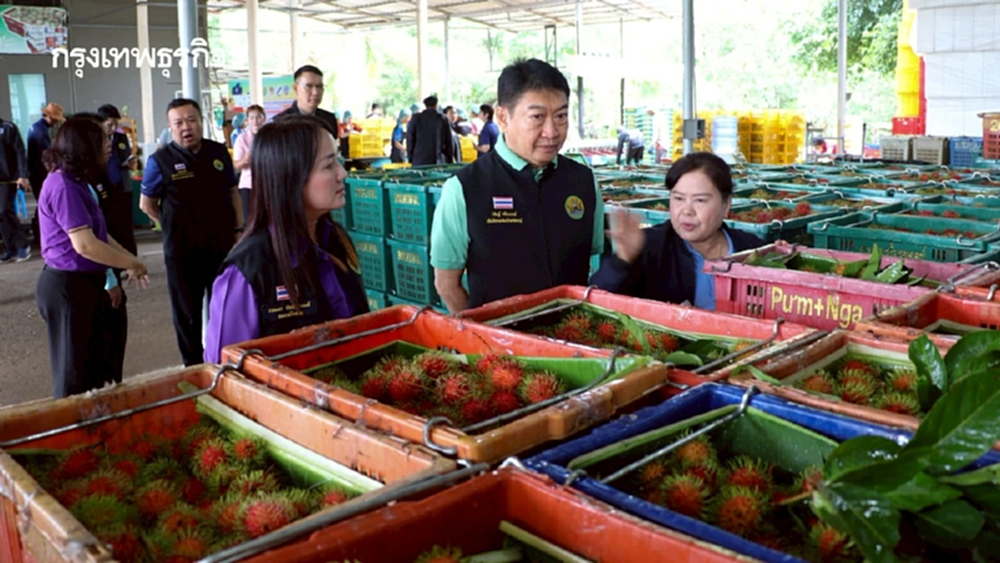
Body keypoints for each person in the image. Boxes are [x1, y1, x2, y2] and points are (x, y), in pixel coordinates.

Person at [430, 58, 605, 312]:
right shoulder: (464, 189)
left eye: (561, 116)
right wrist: (483, 335)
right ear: (503, 116)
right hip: (498, 348)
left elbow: (592, 261)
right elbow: (446, 284)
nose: (552, 131)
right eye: (537, 117)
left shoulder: (583, 181)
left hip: (571, 344)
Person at [204, 116, 368, 363]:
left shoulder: (336, 240)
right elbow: (223, 371)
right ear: (291, 177)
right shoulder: (247, 272)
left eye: (338, 161)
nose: (342, 173)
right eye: (328, 165)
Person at [35, 116, 149, 398]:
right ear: (85, 146)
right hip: (68, 288)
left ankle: (97, 433)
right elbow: (85, 245)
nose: (110, 144)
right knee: (74, 378)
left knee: (99, 371)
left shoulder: (79, 182)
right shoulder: (63, 186)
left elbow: (100, 236)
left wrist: (122, 265)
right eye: (103, 140)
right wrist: (131, 263)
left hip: (87, 283)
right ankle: (73, 436)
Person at [140, 98, 242, 366]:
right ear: (170, 127)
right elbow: (146, 204)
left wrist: (238, 229)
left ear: (201, 122)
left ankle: (225, 362)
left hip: (221, 246)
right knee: (188, 314)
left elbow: (233, 192)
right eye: (179, 122)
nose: (187, 127)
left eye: (192, 120)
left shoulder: (218, 153)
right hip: (182, 251)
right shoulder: (160, 161)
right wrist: (171, 224)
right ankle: (193, 368)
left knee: (225, 305)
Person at [591, 152, 765, 310]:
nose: (686, 211)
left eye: (700, 200)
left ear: (726, 204)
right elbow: (597, 299)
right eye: (679, 199)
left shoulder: (752, 250)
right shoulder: (650, 246)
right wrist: (621, 262)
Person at [28, 103, 65, 243]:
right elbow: (46, 155)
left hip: (35, 173)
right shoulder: (41, 131)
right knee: (45, 205)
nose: (56, 122)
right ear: (49, 117)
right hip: (40, 174)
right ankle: (42, 235)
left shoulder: (35, 127)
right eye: (55, 119)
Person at [0, 115, 31, 263]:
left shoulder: (8, 127)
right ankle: (9, 249)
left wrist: (23, 175)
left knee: (5, 210)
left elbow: (20, 151)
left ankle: (22, 245)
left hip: (9, 178)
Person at [276, 65, 339, 137]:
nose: (315, 92)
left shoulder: (329, 119)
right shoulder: (280, 122)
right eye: (308, 86)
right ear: (296, 89)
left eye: (319, 86)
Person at [233, 104, 265, 226]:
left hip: (267, 184)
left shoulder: (270, 136)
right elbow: (236, 165)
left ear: (264, 118)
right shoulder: (242, 139)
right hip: (248, 185)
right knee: (249, 221)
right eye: (252, 118)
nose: (255, 121)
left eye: (259, 117)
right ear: (247, 121)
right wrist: (245, 160)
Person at [406, 96, 454, 166]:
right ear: (436, 105)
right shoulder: (442, 119)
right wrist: (449, 159)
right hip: (437, 160)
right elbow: (449, 141)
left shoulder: (416, 119)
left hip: (419, 160)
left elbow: (410, 139)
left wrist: (410, 157)